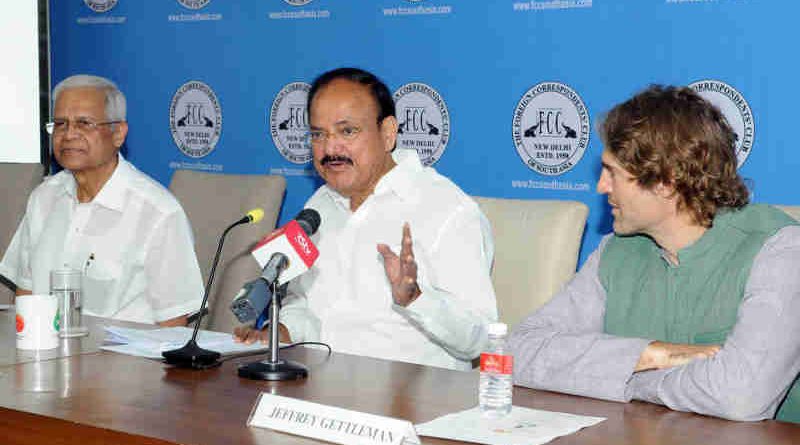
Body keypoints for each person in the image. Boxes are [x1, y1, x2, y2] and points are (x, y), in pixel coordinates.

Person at [509, 85, 800, 422]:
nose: (601, 187)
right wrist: (649, 354)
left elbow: (740, 396)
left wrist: (624, 376)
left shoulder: (781, 250)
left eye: (613, 173)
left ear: (665, 182)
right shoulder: (617, 249)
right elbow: (519, 351)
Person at [236, 67, 497, 370]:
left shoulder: (446, 209)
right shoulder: (319, 205)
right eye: (318, 134)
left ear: (388, 134)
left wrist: (415, 299)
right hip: (317, 391)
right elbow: (305, 304)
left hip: (410, 403)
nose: (330, 149)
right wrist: (281, 332)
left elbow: (484, 341)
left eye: (347, 131)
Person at [0, 74, 203, 326]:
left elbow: (173, 326)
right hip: (46, 357)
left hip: (124, 362)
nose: (69, 134)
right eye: (60, 124)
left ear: (118, 133)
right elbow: (27, 294)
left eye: (84, 123)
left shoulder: (157, 213)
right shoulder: (44, 198)